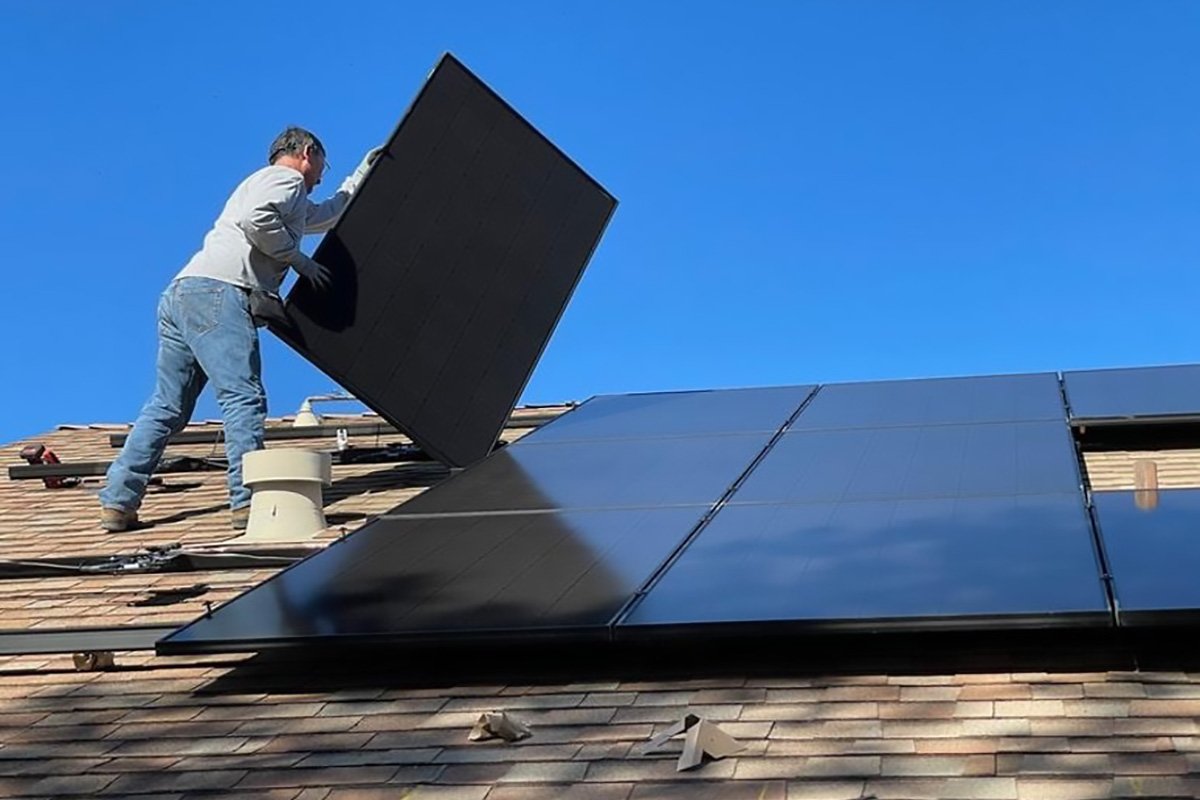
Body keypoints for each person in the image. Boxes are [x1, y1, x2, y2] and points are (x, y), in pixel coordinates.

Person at [99, 127, 382, 532]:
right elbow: (257, 220)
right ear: (307, 153)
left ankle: (118, 501)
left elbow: (324, 215)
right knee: (243, 397)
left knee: (167, 407)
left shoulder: (272, 188)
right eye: (323, 166)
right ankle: (247, 503)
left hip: (184, 293)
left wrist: (358, 177)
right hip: (220, 292)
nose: (321, 175)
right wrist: (297, 261)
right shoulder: (285, 180)